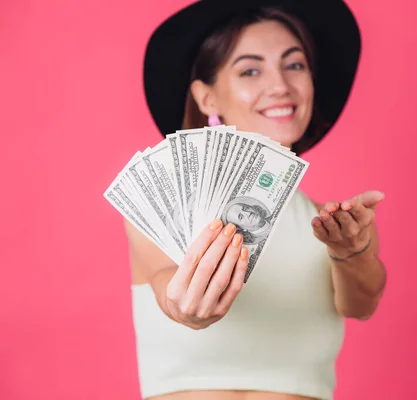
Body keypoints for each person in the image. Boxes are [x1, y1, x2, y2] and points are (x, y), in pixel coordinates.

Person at [125, 0, 388, 399]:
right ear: (206, 97)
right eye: (250, 69)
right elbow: (170, 293)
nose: (280, 85)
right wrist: (189, 310)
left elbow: (361, 305)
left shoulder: (333, 224)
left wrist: (353, 251)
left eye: (295, 65)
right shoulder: (163, 201)